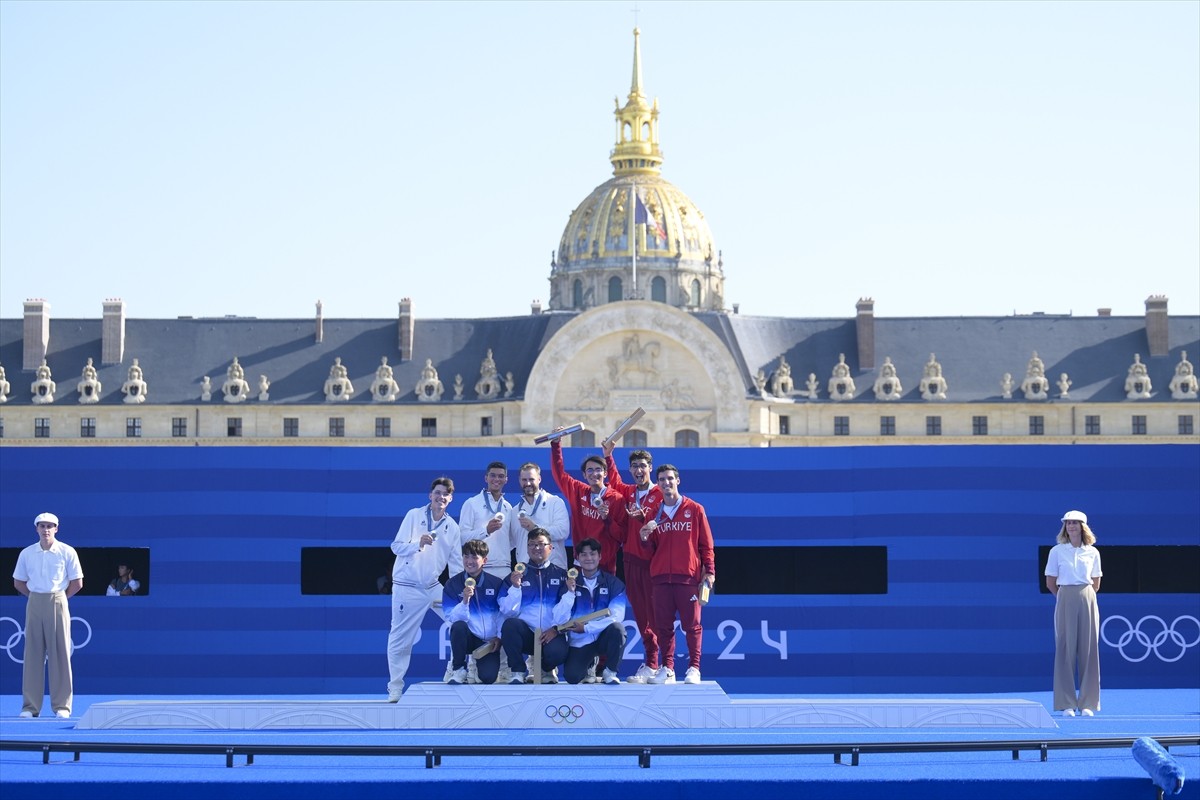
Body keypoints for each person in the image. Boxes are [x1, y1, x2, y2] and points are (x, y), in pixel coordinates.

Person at [639, 464, 715, 685]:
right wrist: (644, 538)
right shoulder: (654, 514)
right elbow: (649, 552)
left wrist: (709, 572)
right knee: (663, 627)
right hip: (661, 579)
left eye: (670, 479)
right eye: (661, 479)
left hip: (688, 578)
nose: (666, 483)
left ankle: (694, 668)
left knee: (692, 625)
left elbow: (706, 545)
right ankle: (668, 668)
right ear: (658, 484)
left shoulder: (695, 509)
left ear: (678, 481)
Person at [386, 477, 459, 701]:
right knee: (400, 638)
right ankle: (395, 686)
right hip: (407, 587)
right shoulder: (414, 515)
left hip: (432, 586)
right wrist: (418, 544)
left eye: (445, 494)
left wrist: (459, 591)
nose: (441, 497)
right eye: (437, 493)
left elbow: (456, 563)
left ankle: (453, 670)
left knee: (461, 622)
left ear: (451, 499)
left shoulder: (452, 527)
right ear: (430, 495)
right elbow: (395, 547)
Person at [12, 513, 83, 718]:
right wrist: (35, 597)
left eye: (50, 526)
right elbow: (18, 582)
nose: (46, 530)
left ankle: (62, 706)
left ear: (56, 529)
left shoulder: (67, 551)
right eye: (42, 526)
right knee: (32, 654)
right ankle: (30, 707)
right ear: (36, 528)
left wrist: (59, 598)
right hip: (34, 600)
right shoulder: (27, 553)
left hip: (58, 599)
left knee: (60, 653)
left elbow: (77, 583)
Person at [603, 439, 663, 683]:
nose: (639, 470)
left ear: (651, 467)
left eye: (643, 466)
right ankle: (651, 664)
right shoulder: (627, 492)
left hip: (654, 562)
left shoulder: (661, 492)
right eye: (635, 466)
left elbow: (665, 519)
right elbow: (614, 480)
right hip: (630, 561)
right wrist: (608, 456)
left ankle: (664, 665)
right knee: (641, 616)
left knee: (657, 615)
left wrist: (646, 516)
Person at [1044, 509, 1102, 717]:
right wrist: (1066, 598)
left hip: (1087, 596)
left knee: (1089, 650)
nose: (1071, 526)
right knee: (1065, 650)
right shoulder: (1057, 551)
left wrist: (1083, 596)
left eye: (1075, 523)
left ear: (1082, 527)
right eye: (1068, 523)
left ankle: (1088, 703)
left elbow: (1095, 582)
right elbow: (1051, 582)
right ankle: (1066, 703)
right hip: (1064, 596)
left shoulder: (1093, 552)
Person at [500, 527, 572, 684]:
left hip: (550, 634)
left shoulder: (561, 575)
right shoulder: (516, 575)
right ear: (527, 548)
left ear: (550, 548)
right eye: (532, 544)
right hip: (526, 634)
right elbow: (507, 611)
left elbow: (567, 613)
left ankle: (545, 668)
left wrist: (555, 629)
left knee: (558, 653)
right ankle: (518, 671)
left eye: (541, 544)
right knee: (509, 625)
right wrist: (516, 588)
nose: (537, 548)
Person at [549, 433, 622, 574]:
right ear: (584, 475)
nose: (594, 474)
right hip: (580, 563)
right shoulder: (578, 491)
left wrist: (608, 519)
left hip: (605, 565)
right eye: (590, 470)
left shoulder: (616, 499)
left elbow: (621, 536)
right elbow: (559, 474)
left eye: (598, 470)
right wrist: (556, 445)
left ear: (605, 473)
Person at [561, 538, 627, 685]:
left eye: (592, 554)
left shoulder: (614, 584)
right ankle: (590, 663)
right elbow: (559, 616)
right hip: (580, 642)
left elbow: (617, 616)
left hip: (602, 637)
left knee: (618, 629)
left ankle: (610, 671)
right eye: (584, 555)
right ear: (577, 558)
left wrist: (587, 628)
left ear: (600, 556)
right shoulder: (570, 582)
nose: (589, 558)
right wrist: (570, 593)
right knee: (572, 677)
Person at [443, 539, 509, 685]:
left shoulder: (496, 583)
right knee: (458, 626)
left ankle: (476, 670)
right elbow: (451, 618)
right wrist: (465, 601)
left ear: (484, 560)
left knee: (487, 678)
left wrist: (498, 637)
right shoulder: (452, 584)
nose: (469, 561)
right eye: (466, 556)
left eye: (474, 557)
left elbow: (502, 614)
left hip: (488, 642)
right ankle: (458, 669)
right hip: (468, 637)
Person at [505, 462, 570, 569]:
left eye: (531, 479)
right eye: (524, 480)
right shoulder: (515, 510)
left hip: (553, 569)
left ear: (539, 479)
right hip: (525, 571)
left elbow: (563, 531)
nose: (528, 483)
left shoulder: (555, 502)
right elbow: (510, 542)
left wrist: (535, 528)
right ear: (519, 481)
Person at [455, 461, 514, 579]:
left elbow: (511, 541)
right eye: (493, 475)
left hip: (504, 568)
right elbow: (462, 538)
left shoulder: (508, 507)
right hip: (480, 569)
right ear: (486, 478)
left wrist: (501, 552)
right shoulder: (471, 503)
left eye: (501, 476)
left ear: (506, 480)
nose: (496, 479)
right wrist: (486, 531)